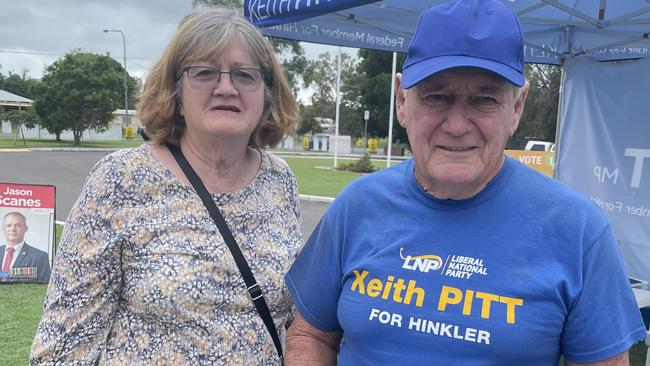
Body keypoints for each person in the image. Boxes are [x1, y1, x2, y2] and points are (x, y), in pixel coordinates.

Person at [284, 0, 646, 365]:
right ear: (402, 100)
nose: (457, 125)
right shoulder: (356, 206)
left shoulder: (578, 230)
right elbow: (310, 335)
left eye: (484, 99)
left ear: (517, 107)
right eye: (437, 96)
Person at [31, 8, 302, 365]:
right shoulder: (120, 178)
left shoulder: (279, 180)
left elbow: (290, 317)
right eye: (205, 73)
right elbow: (64, 344)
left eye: (244, 75)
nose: (226, 87)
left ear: (267, 93)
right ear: (176, 92)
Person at [1, 211, 51, 283]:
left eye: (17, 225)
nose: (12, 229)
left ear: (26, 228)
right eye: (8, 225)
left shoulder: (39, 256)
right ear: (3, 228)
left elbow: (44, 286)